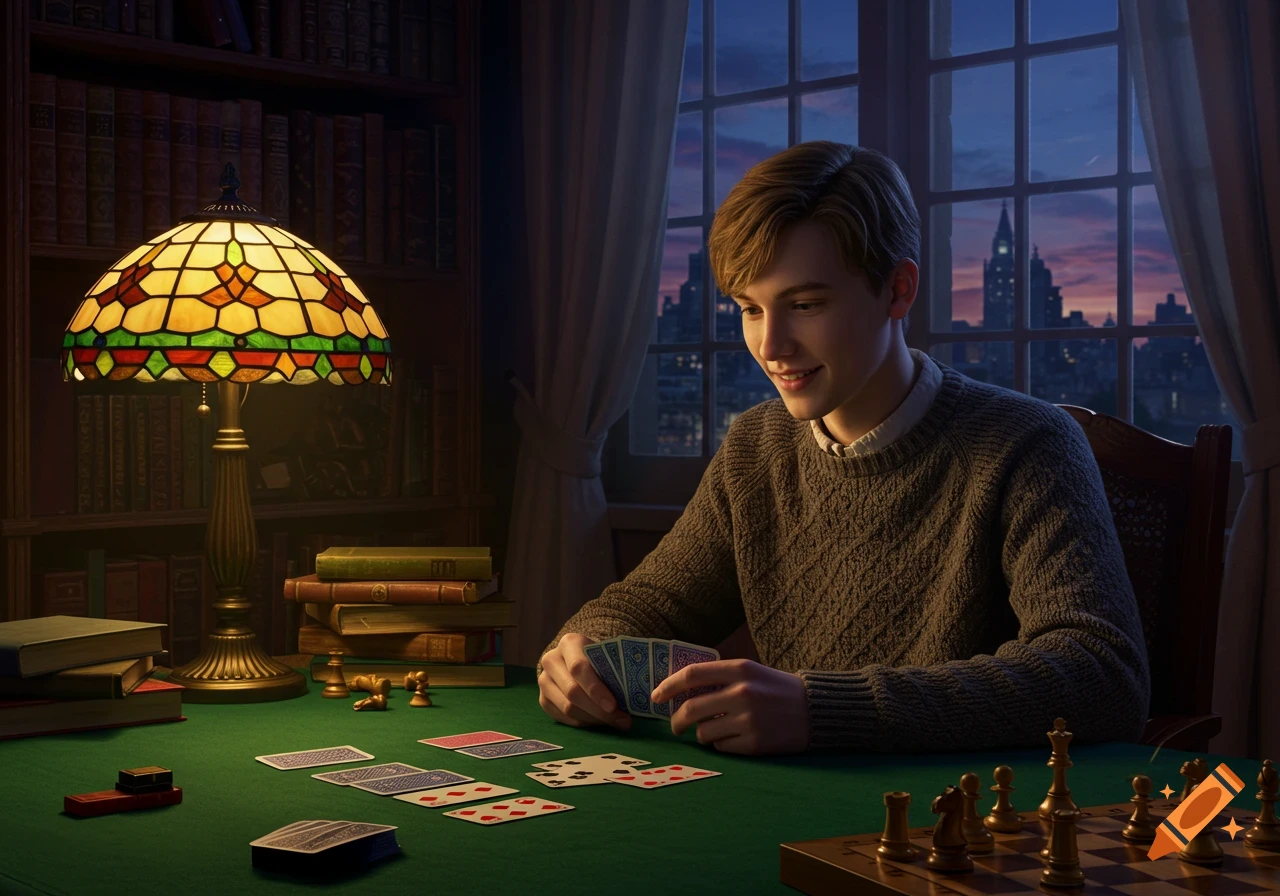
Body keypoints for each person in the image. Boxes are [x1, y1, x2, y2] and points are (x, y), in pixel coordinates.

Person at [535, 141, 1150, 756]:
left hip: (963, 827)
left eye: (805, 305)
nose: (771, 346)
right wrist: (579, 654)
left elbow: (1101, 674)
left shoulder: (1028, 445)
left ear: (898, 291)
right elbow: (645, 608)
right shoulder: (755, 447)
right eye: (751, 308)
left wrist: (824, 711)